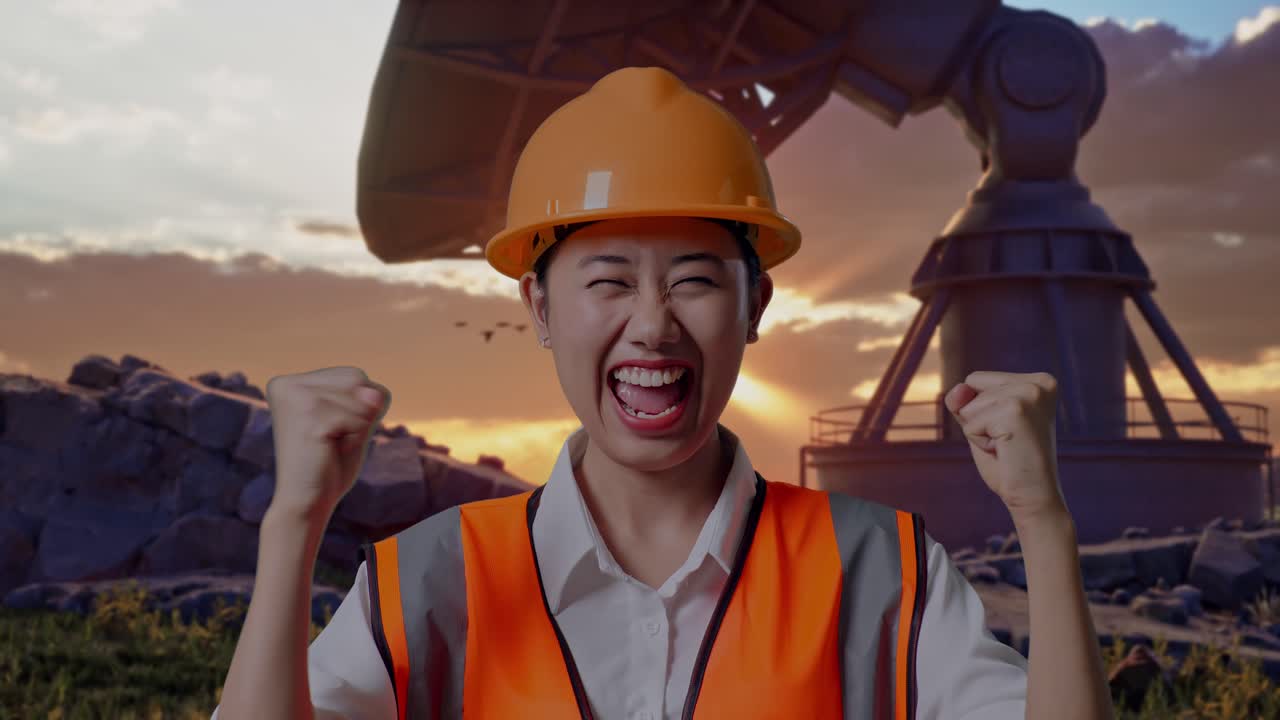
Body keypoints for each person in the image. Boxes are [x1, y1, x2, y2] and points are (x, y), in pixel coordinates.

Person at [213, 66, 1112, 719]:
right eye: (607, 280)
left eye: (694, 280)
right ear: (539, 306)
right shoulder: (426, 582)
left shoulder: (883, 570)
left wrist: (1044, 519)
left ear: (756, 304)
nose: (652, 325)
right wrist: (293, 525)